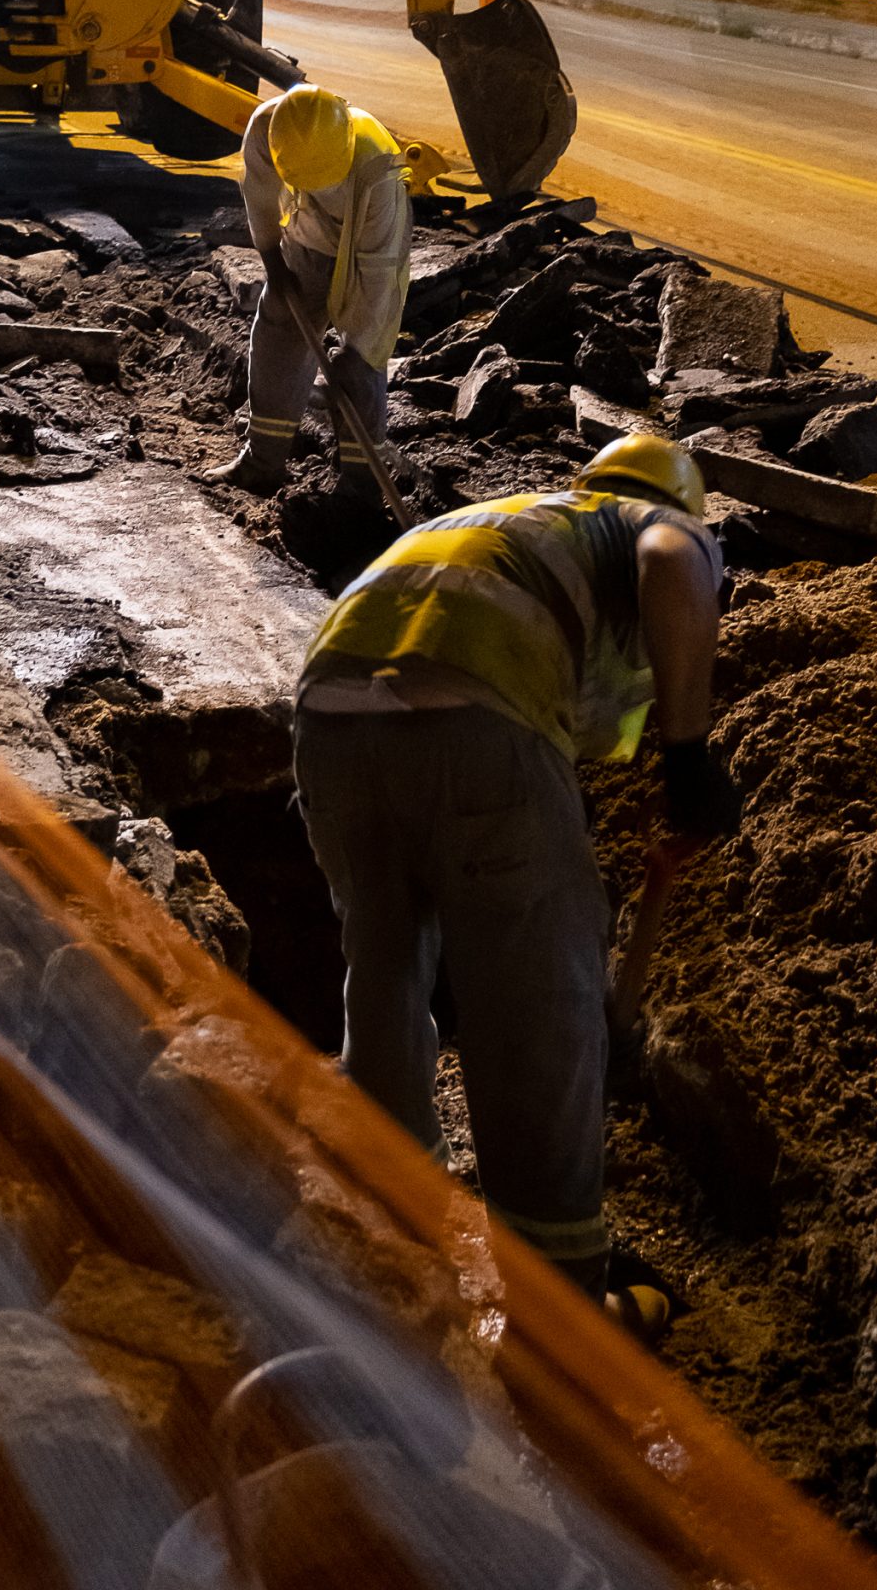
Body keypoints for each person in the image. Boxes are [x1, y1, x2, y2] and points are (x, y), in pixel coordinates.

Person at [291, 435, 738, 1324]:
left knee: (384, 970)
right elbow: (672, 563)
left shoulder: (508, 524)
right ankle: (558, 1293)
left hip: (324, 719)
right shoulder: (648, 523)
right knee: (539, 1000)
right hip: (474, 708)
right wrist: (688, 756)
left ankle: (391, 1232)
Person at [209, 84, 410, 498]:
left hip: (370, 251)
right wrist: (274, 265)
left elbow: (375, 280)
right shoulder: (269, 128)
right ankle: (262, 462)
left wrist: (355, 355)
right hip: (307, 237)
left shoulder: (378, 169)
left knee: (363, 365)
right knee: (278, 332)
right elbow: (261, 199)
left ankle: (360, 489)